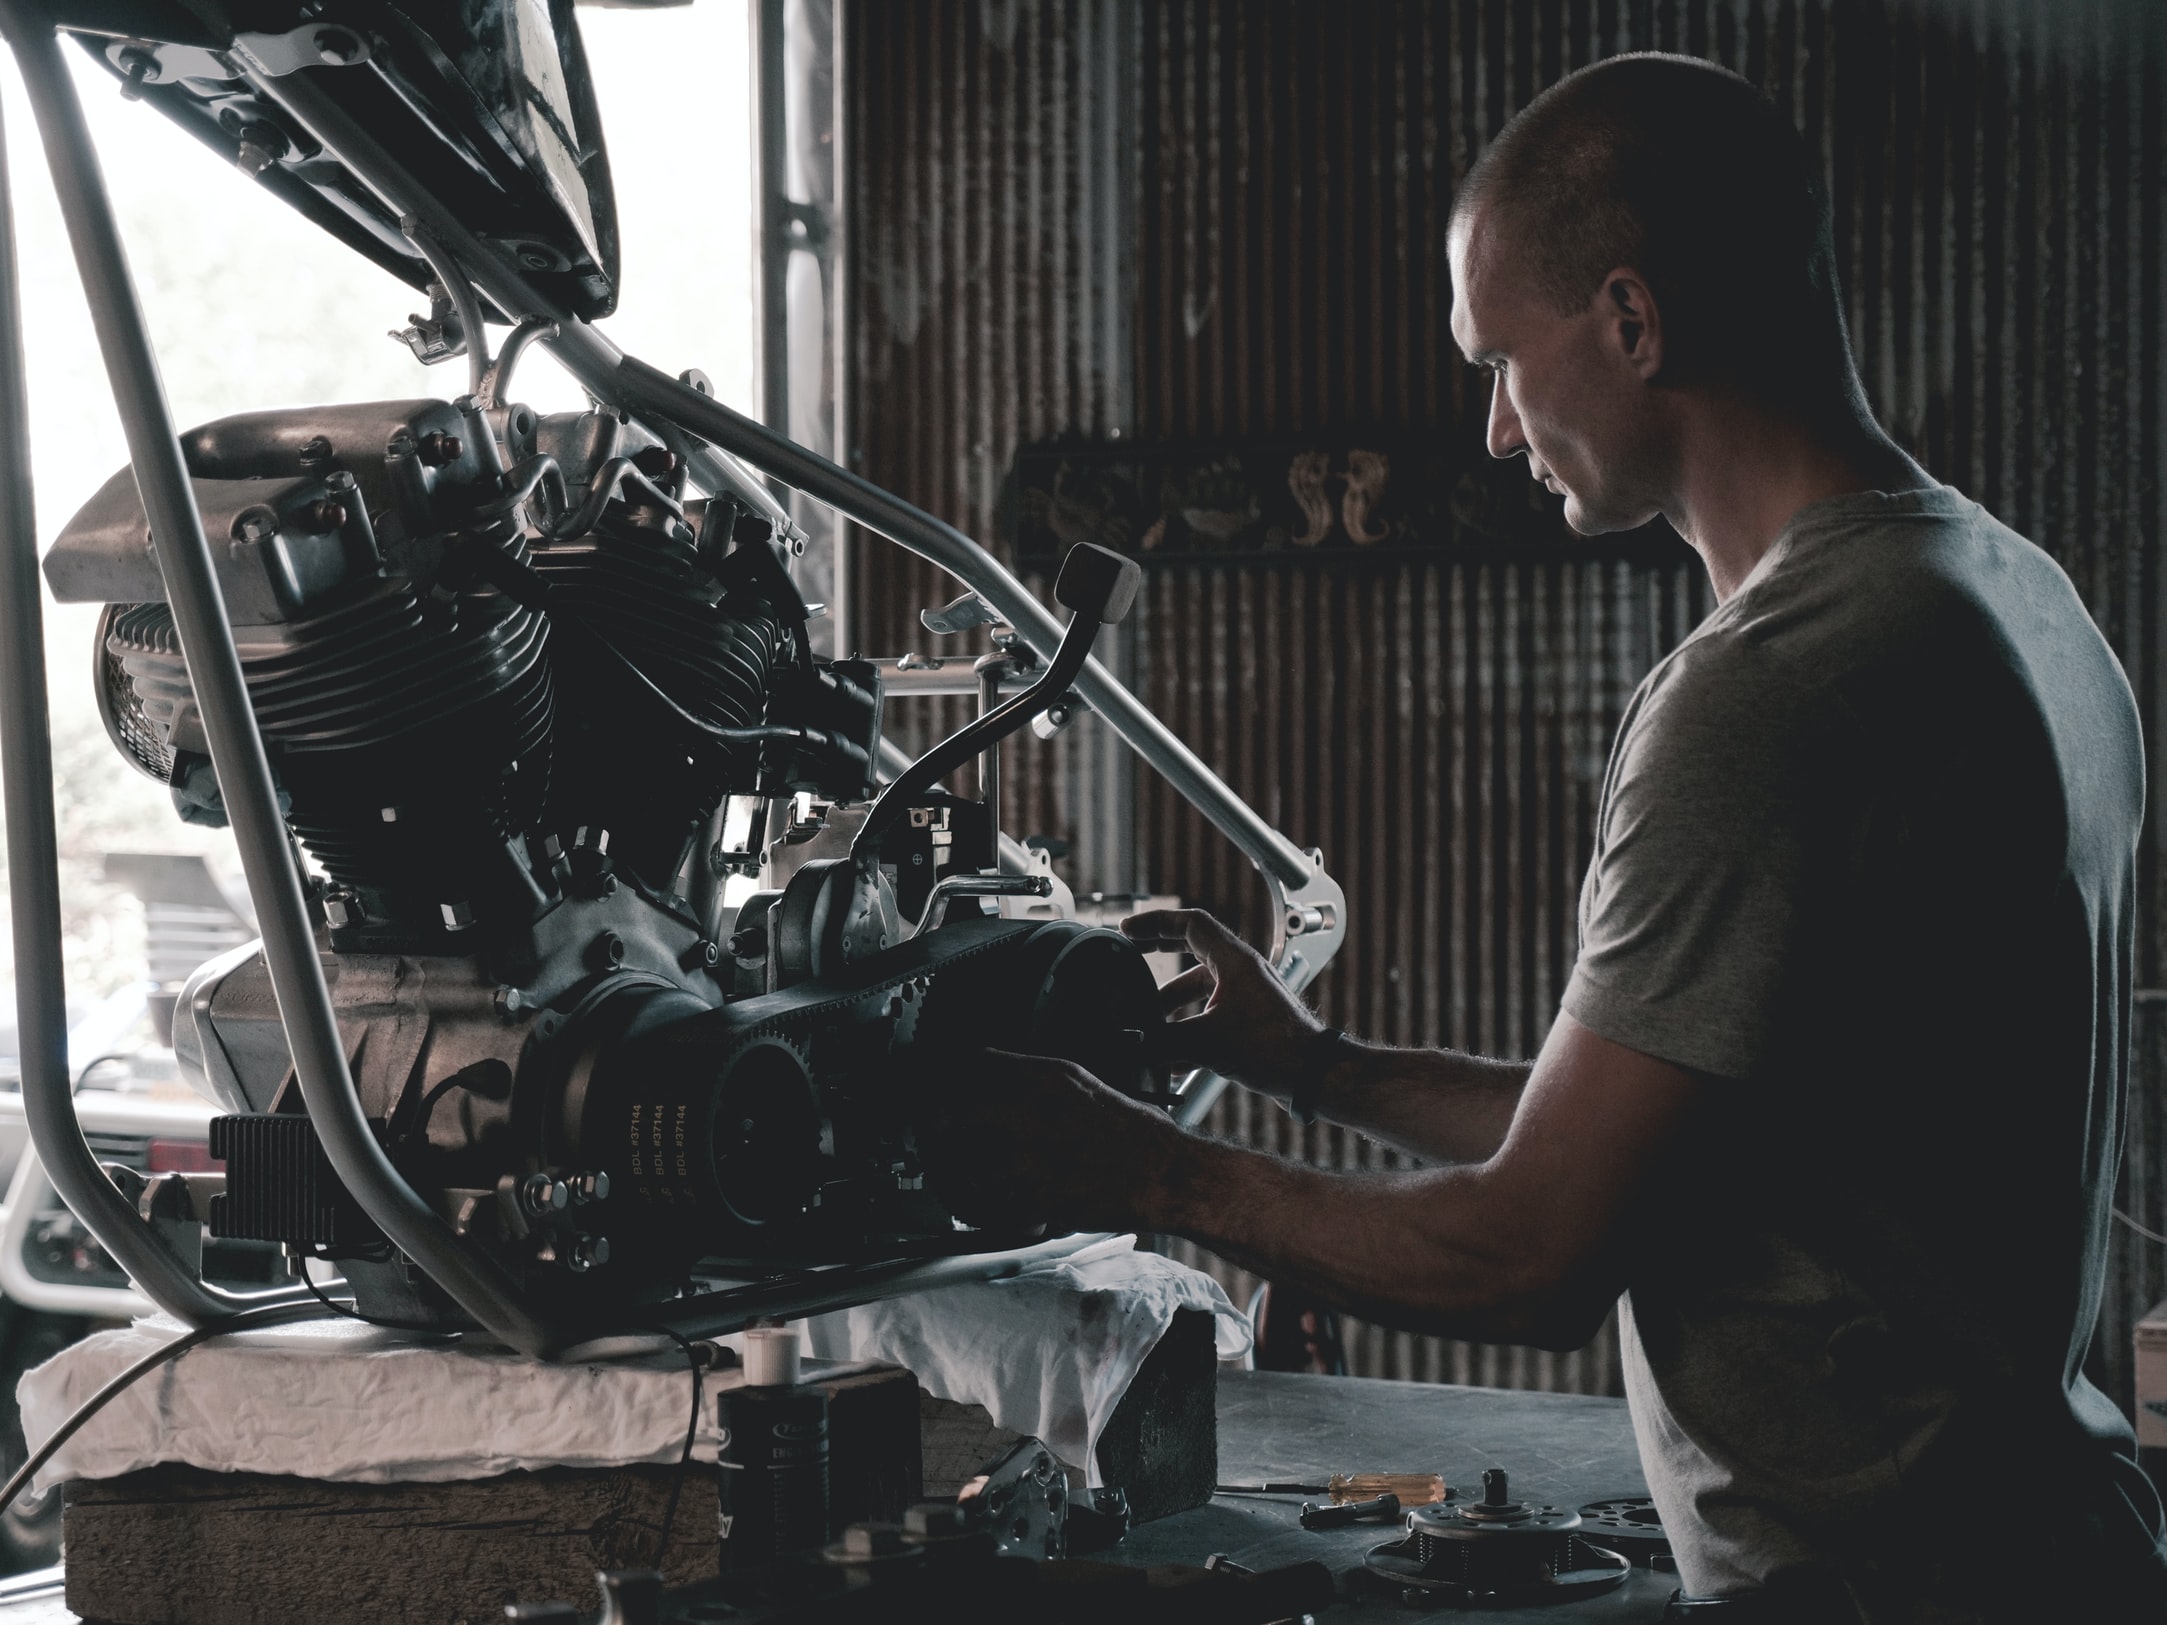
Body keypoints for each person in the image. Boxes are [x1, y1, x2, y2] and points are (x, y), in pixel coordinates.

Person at [931, 52, 2167, 1622]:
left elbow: (1533, 1251)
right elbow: (1686, 1152)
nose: (1500, 431)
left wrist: (1138, 1168)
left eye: (1503, 363)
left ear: (1635, 324)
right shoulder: (2022, 604)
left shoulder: (1767, 695)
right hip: (2059, 1547)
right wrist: (1306, 1061)